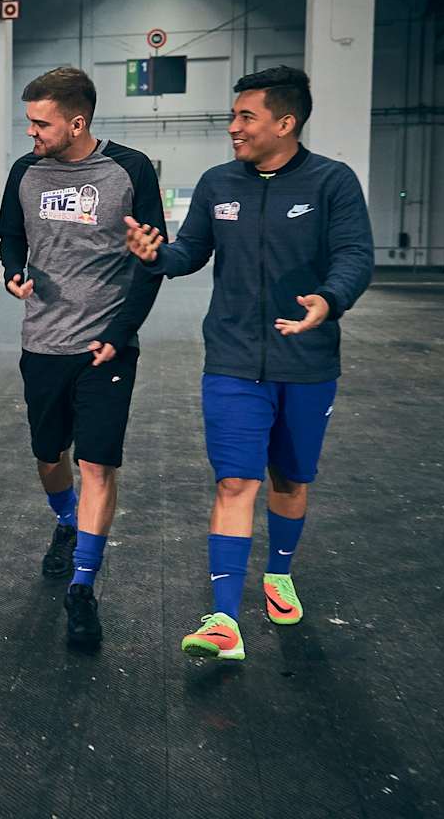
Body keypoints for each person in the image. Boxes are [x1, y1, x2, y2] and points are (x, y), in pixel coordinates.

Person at [124, 66, 373, 661]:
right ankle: (224, 620)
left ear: (285, 123)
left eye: (245, 117)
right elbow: (190, 251)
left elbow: (355, 255)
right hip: (233, 360)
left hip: (307, 361)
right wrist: (156, 256)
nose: (233, 127)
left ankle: (279, 573)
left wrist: (329, 299)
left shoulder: (332, 182)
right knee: (235, 481)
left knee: (290, 479)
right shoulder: (218, 184)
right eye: (233, 116)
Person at [0, 65, 167, 648]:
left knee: (97, 464)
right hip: (42, 344)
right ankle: (67, 522)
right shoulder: (25, 172)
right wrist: (13, 272)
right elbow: (10, 236)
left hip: (105, 348)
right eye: (29, 121)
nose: (31, 132)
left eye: (40, 123)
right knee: (50, 456)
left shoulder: (130, 170)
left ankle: (82, 586)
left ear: (77, 123)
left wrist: (121, 331)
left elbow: (151, 261)